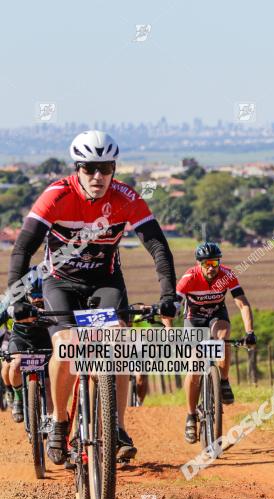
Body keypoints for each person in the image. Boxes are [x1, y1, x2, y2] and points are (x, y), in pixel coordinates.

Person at [6, 130, 178, 465]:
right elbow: (23, 248)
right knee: (67, 347)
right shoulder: (56, 195)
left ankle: (118, 428)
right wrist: (18, 296)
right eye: (89, 168)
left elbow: (157, 245)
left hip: (105, 283)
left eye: (106, 167)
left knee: (118, 345)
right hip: (61, 283)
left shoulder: (126, 197)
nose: (98, 176)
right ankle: (58, 421)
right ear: (77, 168)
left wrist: (168, 293)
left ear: (114, 168)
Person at [163, 242, 255, 443]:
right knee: (195, 366)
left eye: (214, 262)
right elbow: (168, 310)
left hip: (216, 316)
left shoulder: (227, 275)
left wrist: (250, 332)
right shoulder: (189, 278)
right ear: (199, 264)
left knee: (223, 339)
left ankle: (223, 380)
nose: (211, 267)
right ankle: (190, 416)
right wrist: (170, 333)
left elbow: (242, 304)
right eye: (206, 264)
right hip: (194, 320)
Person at [6, 269, 52, 425]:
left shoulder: (54, 299)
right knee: (16, 364)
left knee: (48, 384)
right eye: (34, 295)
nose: (38, 299)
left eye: (41, 294)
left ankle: (53, 424)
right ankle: (18, 398)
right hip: (21, 340)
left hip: (46, 342)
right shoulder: (15, 300)